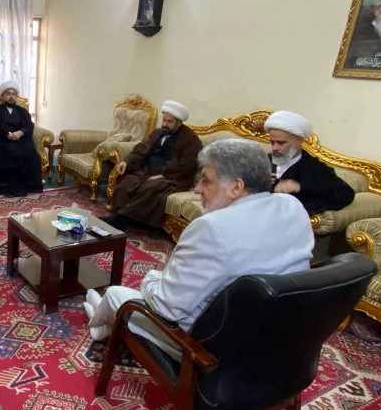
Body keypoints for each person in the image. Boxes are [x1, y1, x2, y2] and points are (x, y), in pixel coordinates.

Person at [84, 138, 314, 348]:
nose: (197, 189)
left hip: (213, 346)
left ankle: (101, 323)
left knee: (116, 294)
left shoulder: (212, 228)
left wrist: (153, 277)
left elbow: (166, 306)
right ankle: (105, 319)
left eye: (206, 181)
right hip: (279, 338)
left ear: (236, 187)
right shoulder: (292, 207)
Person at [103, 100, 202, 231]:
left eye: (169, 122)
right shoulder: (157, 132)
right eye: (164, 120)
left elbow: (186, 164)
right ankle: (124, 217)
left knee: (151, 188)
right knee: (128, 181)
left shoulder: (191, 139)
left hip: (171, 177)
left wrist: (162, 175)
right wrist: (126, 162)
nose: (165, 124)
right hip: (147, 171)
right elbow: (141, 148)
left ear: (179, 122)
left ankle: (119, 219)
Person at [265, 110, 355, 214]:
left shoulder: (315, 168)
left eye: (281, 143)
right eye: (272, 142)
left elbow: (345, 195)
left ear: (299, 141)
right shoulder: (261, 162)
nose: (275, 148)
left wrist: (300, 187)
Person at [0, 81, 43, 197]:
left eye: (13, 94)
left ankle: (31, 185)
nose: (11, 96)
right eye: (8, 94)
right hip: (3, 141)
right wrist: (8, 135)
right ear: (2, 96)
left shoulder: (22, 111)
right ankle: (9, 187)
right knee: (12, 151)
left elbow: (29, 125)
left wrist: (21, 132)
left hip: (21, 139)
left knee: (31, 153)